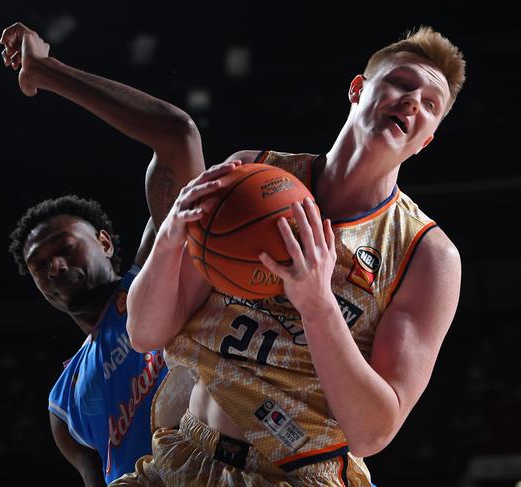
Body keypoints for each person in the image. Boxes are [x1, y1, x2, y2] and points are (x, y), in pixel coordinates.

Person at [116, 26, 465, 486]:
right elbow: (145, 333)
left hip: (296, 476)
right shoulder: (251, 172)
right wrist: (171, 237)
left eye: (430, 105)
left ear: (425, 141)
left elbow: (372, 432)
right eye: (402, 83)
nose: (413, 101)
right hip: (186, 452)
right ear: (358, 90)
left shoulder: (426, 255)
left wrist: (318, 304)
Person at [0, 22, 205, 487]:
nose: (54, 266)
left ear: (106, 243)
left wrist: (47, 71)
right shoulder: (64, 402)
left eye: (65, 247)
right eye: (39, 267)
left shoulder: (159, 268)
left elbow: (177, 137)